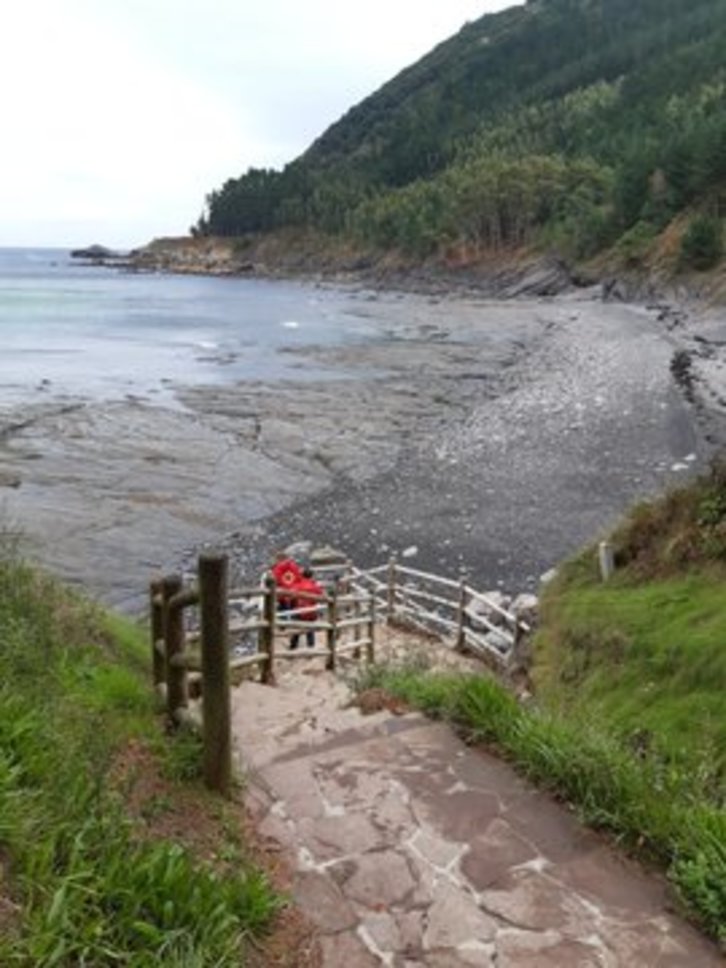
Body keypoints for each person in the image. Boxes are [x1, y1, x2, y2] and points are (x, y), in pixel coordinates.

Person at [290, 566, 323, 649]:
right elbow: (320, 595)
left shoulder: (298, 585)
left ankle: (293, 646)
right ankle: (311, 646)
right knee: (310, 631)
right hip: (311, 612)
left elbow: (291, 596)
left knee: (296, 629)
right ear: (311, 576)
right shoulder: (314, 586)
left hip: (299, 611)